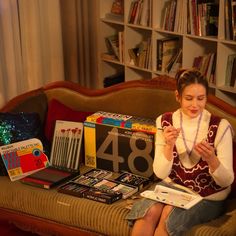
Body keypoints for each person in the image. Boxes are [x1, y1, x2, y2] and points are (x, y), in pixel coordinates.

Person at [126, 69, 234, 236]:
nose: (195, 105)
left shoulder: (220, 127)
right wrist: (168, 146)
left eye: (201, 98)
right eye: (189, 98)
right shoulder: (164, 121)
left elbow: (227, 181)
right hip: (172, 187)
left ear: (207, 97)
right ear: (178, 96)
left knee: (169, 213)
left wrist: (212, 159)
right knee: (149, 212)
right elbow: (160, 172)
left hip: (208, 195)